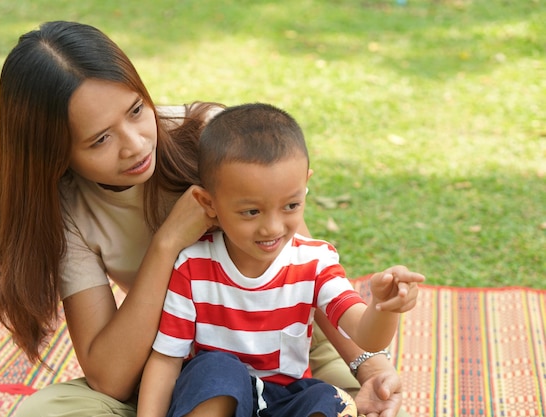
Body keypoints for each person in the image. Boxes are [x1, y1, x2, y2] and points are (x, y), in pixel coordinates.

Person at [0, 21, 418, 417]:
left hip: (288, 355)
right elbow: (111, 379)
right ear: (55, 155)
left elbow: (299, 270)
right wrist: (169, 241)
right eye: (100, 139)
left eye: (135, 110)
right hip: (179, 364)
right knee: (45, 412)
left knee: (331, 403)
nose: (134, 144)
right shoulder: (67, 210)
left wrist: (370, 367)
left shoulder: (208, 137)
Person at [137, 103, 425, 417]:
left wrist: (384, 308)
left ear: (305, 186)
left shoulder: (315, 262)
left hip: (286, 400)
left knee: (331, 400)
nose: (272, 227)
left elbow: (364, 335)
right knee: (217, 370)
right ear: (208, 203)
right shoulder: (193, 266)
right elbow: (166, 360)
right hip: (219, 397)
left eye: (290, 205)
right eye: (251, 212)